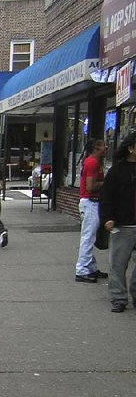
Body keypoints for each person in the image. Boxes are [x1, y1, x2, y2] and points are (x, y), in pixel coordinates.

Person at [100, 133, 136, 313]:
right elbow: (107, 196)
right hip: (123, 224)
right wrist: (108, 217)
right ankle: (118, 298)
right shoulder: (117, 171)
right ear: (131, 148)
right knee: (118, 264)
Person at [75, 138, 108, 283]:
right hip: (91, 202)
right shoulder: (93, 163)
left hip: (91, 203)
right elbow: (91, 187)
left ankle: (90, 267)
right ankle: (82, 269)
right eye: (103, 146)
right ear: (96, 148)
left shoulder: (91, 162)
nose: (105, 148)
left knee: (90, 236)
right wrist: (107, 182)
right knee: (88, 237)